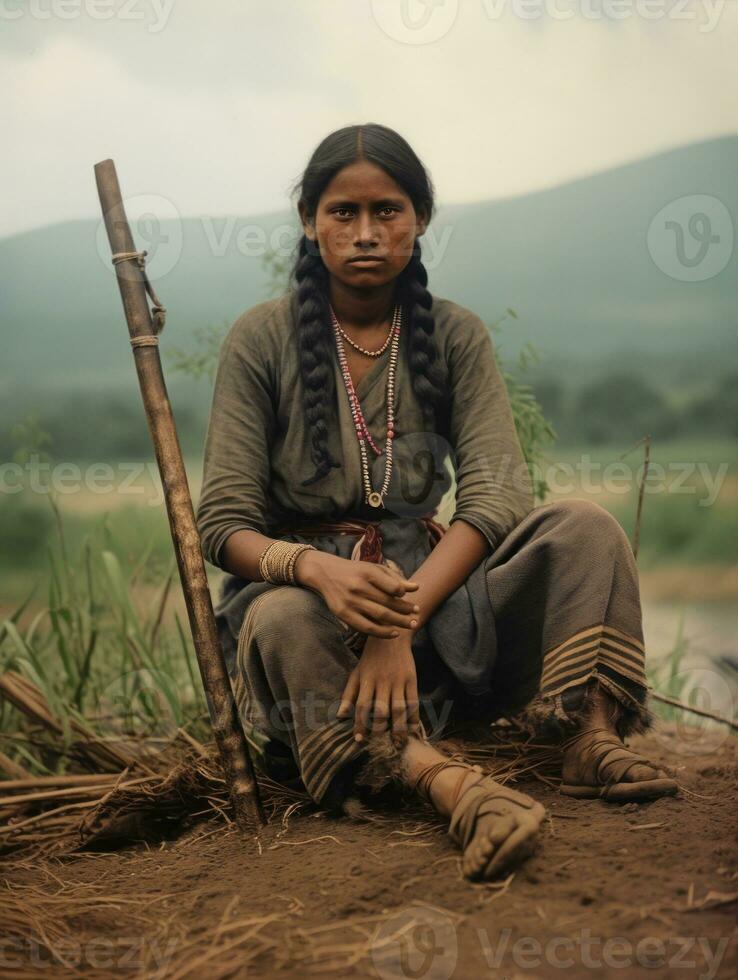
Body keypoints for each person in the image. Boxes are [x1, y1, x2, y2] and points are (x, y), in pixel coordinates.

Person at [195, 123, 677, 882]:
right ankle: (440, 780)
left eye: (386, 211)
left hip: (437, 617)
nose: (364, 234)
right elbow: (221, 526)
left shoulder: (453, 335)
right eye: (342, 213)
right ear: (309, 221)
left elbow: (497, 493)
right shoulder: (261, 340)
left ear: (419, 220)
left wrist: (402, 617)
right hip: (307, 613)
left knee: (583, 527)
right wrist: (319, 575)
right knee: (282, 616)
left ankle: (587, 735)